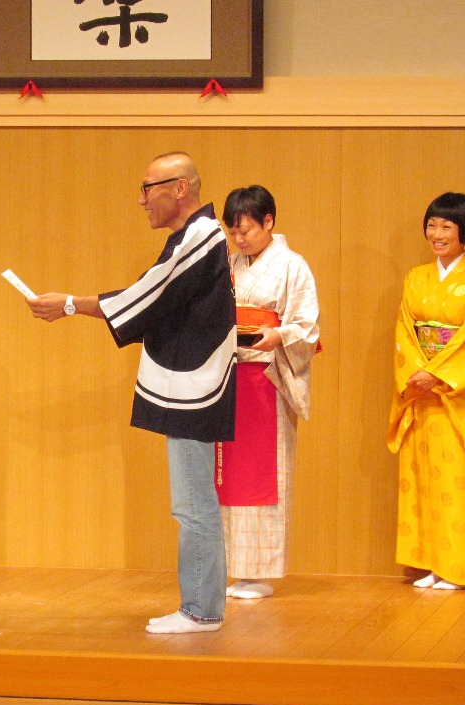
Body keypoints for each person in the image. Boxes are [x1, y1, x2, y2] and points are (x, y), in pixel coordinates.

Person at [28, 152, 236, 634]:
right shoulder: (194, 236)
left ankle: (202, 610)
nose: (141, 200)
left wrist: (71, 305)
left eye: (148, 188)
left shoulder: (202, 235)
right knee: (192, 503)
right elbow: (158, 301)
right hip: (192, 383)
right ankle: (201, 607)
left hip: (196, 386)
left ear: (179, 188)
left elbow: (148, 295)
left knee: (194, 504)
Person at [387, 192, 465, 591]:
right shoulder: (415, 277)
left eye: (446, 227)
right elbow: (405, 331)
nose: (437, 234)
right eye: (432, 225)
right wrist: (417, 375)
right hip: (421, 391)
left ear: (464, 231)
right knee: (422, 477)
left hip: (455, 393)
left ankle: (457, 568)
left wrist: (437, 375)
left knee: (456, 478)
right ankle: (432, 564)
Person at [217, 185, 319, 599]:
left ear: (269, 222)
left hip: (268, 378)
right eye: (233, 232)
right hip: (230, 379)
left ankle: (258, 573)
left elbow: (306, 325)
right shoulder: (230, 264)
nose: (239, 239)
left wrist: (278, 335)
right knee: (228, 475)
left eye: (245, 230)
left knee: (265, 475)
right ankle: (234, 568)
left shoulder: (293, 265)